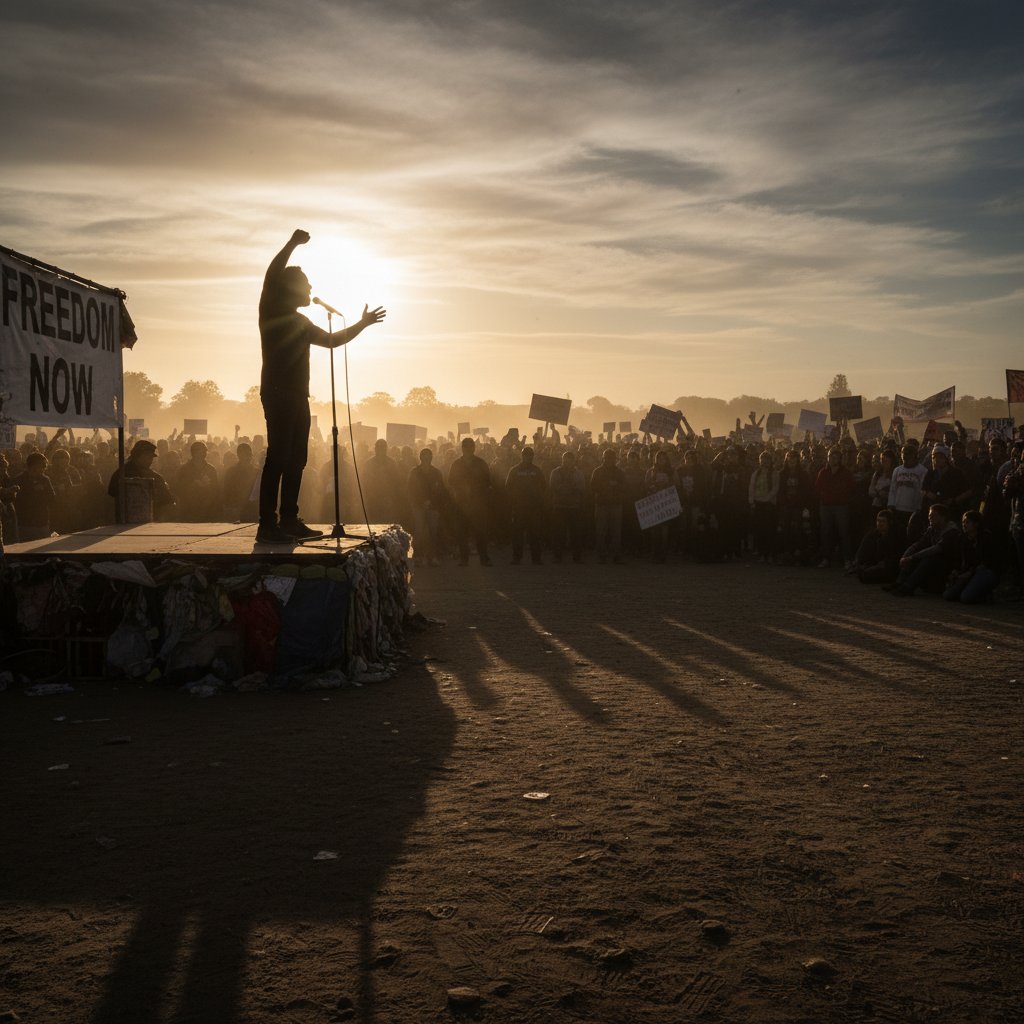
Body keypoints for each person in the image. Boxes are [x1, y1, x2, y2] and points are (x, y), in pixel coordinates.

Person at [256, 229, 386, 544]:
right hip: (277, 392)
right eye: (307, 284)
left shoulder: (302, 323)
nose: (312, 288)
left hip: (298, 395)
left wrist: (361, 324)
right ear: (290, 288)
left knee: (297, 458)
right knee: (279, 457)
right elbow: (271, 276)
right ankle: (267, 524)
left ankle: (289, 518)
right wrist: (291, 244)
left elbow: (331, 341)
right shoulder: (272, 308)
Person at [886, 503, 961, 597]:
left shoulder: (952, 531)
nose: (930, 518)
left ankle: (908, 586)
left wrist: (911, 558)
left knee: (929, 558)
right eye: (929, 515)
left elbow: (936, 549)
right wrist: (906, 556)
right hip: (936, 563)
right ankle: (899, 582)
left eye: (933, 516)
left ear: (943, 517)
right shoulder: (932, 529)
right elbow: (919, 544)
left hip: (947, 566)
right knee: (914, 554)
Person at [448, 437, 493, 566]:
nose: (468, 449)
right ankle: (464, 559)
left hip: (477, 504)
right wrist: (462, 488)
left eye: (470, 446)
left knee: (480, 533)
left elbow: (488, 481)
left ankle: (484, 558)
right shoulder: (456, 464)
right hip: (462, 504)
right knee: (462, 533)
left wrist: (477, 489)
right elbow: (451, 481)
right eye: (465, 447)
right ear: (462, 448)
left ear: (474, 448)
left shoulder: (481, 463)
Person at [107, 439, 176, 523]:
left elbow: (167, 501)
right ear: (137, 456)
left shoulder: (156, 477)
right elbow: (111, 492)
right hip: (126, 523)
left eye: (151, 457)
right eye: (147, 457)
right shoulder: (122, 473)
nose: (150, 460)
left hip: (150, 524)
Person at [943, 510, 999, 603]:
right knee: (948, 595)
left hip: (984, 571)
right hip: (968, 572)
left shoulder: (986, 538)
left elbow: (988, 562)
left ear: (976, 524)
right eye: (963, 522)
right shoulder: (962, 538)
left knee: (966, 598)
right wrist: (956, 571)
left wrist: (970, 573)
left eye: (967, 522)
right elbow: (960, 559)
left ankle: (985, 595)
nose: (964, 525)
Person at [505, 446, 546, 564]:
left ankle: (536, 558)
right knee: (518, 534)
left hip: (534, 508)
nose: (528, 457)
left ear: (532, 456)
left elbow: (543, 486)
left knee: (535, 534)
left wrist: (537, 499)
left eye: (530, 455)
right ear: (522, 456)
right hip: (519, 507)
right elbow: (508, 487)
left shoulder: (537, 470)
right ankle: (517, 557)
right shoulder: (514, 470)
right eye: (526, 455)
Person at [407, 448, 447, 566]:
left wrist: (432, 502)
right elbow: (411, 490)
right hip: (418, 506)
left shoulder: (436, 472)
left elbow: (441, 490)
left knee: (432, 532)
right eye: (424, 457)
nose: (426, 459)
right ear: (420, 458)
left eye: (428, 457)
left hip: (433, 507)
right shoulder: (415, 472)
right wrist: (420, 502)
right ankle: (418, 556)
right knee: (419, 532)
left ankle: (432, 556)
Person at [548, 450, 587, 563]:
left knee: (575, 533)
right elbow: (552, 486)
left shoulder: (578, 473)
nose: (567, 463)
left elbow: (582, 488)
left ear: (574, 461)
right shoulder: (555, 472)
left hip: (574, 506)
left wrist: (571, 488)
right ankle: (557, 556)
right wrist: (564, 488)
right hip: (559, 506)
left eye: (569, 461)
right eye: (565, 461)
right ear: (562, 460)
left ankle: (576, 556)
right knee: (559, 533)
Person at [590, 448, 627, 564]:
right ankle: (602, 555)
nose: (609, 460)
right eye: (607, 458)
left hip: (615, 504)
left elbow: (624, 487)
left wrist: (615, 486)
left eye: (611, 458)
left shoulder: (619, 472)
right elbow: (592, 487)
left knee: (616, 532)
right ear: (603, 458)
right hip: (602, 504)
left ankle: (616, 555)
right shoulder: (597, 471)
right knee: (601, 531)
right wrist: (606, 486)